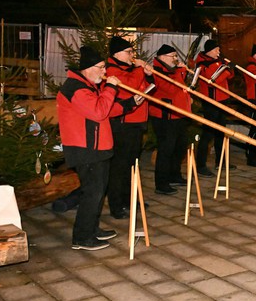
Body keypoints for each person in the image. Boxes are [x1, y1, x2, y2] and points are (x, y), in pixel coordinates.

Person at [56, 46, 123, 250]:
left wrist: (129, 104)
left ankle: (92, 229)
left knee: (98, 192)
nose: (105, 72)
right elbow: (98, 111)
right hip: (86, 149)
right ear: (87, 68)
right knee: (92, 193)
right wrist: (111, 88)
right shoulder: (76, 88)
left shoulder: (88, 85)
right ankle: (82, 237)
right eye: (101, 67)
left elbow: (105, 108)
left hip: (97, 147)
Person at [105, 36, 155, 220]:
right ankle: (116, 204)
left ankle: (129, 199)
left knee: (131, 164)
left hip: (136, 123)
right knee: (119, 166)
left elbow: (148, 88)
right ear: (116, 53)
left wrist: (148, 75)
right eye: (128, 52)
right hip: (123, 124)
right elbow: (129, 87)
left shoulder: (129, 69)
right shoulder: (111, 70)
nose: (132, 55)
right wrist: (140, 69)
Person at [150, 45, 191, 195]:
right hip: (165, 116)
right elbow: (172, 88)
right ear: (162, 57)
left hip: (178, 115)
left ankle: (174, 175)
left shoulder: (172, 70)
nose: (175, 59)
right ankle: (161, 183)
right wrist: (180, 71)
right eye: (172, 56)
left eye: (175, 56)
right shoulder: (157, 71)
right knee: (166, 150)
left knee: (180, 146)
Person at [194, 39, 235, 177]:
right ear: (210, 51)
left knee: (221, 132)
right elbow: (214, 80)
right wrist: (227, 70)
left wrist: (230, 69)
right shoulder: (203, 64)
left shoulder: (217, 61)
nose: (219, 52)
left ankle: (221, 161)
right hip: (211, 101)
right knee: (208, 134)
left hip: (222, 100)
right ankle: (200, 165)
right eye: (216, 49)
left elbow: (229, 77)